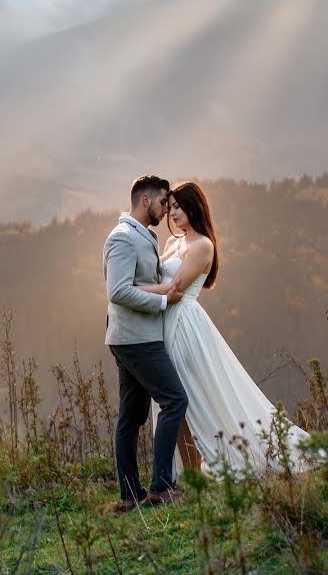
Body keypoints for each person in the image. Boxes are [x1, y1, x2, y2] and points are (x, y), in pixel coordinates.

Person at [141, 181, 328, 476]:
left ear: (194, 207)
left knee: (186, 398)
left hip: (185, 325)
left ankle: (208, 466)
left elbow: (177, 288)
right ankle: (187, 474)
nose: (172, 213)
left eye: (178, 206)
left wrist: (133, 291)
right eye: (170, 207)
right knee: (173, 401)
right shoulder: (171, 243)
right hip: (164, 323)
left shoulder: (203, 245)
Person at [104, 175, 188, 511]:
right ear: (145, 201)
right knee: (174, 400)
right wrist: (164, 300)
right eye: (163, 201)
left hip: (131, 337)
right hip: (136, 339)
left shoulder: (144, 235)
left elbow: (139, 282)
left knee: (132, 417)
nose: (166, 208)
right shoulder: (123, 238)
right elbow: (118, 291)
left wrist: (158, 290)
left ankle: (129, 494)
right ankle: (160, 487)